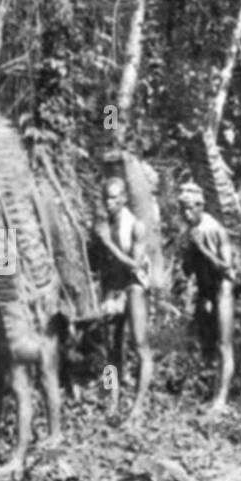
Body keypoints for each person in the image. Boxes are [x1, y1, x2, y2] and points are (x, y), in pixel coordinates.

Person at [88, 175, 153, 418]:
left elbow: (135, 265)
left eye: (114, 198)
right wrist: (96, 241)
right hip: (111, 287)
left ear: (124, 198)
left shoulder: (135, 226)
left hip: (133, 286)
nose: (109, 203)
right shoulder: (103, 225)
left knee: (139, 344)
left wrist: (108, 244)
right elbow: (95, 264)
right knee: (109, 350)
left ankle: (137, 406)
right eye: (106, 198)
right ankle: (111, 402)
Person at [178, 181, 235, 414]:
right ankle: (212, 395)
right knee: (208, 345)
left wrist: (202, 249)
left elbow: (228, 269)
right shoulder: (190, 230)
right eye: (182, 209)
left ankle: (221, 399)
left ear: (201, 206)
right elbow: (188, 269)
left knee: (224, 345)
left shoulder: (214, 229)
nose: (186, 213)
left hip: (223, 289)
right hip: (206, 291)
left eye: (190, 208)